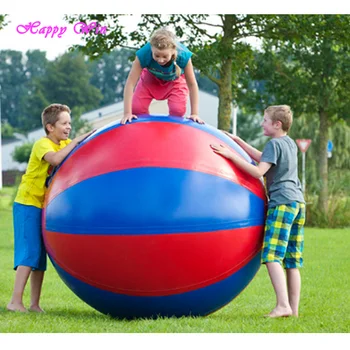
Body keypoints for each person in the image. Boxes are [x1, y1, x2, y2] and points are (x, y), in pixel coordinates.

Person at [210, 105, 305, 318]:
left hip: (281, 203)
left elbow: (258, 171)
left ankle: (283, 305)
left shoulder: (274, 143)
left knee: (271, 255)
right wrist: (239, 142)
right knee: (292, 260)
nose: (262, 123)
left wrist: (230, 156)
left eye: (265, 120)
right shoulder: (288, 143)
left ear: (276, 124)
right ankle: (294, 310)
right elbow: (264, 157)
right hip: (298, 203)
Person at [7, 103, 94, 313]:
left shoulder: (62, 143)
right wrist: (75, 142)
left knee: (40, 257)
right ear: (49, 127)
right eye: (63, 123)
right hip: (27, 204)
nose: (68, 127)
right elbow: (55, 159)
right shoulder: (43, 144)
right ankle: (14, 301)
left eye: (69, 123)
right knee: (29, 252)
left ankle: (35, 304)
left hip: (43, 207)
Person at [121, 27, 204, 124]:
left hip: (175, 81)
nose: (160, 60)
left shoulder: (183, 55)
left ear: (173, 51)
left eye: (165, 56)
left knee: (177, 110)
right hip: (150, 79)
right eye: (156, 55)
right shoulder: (144, 54)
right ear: (151, 48)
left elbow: (192, 85)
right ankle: (145, 131)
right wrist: (127, 113)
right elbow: (130, 82)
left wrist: (195, 113)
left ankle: (171, 133)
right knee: (137, 108)